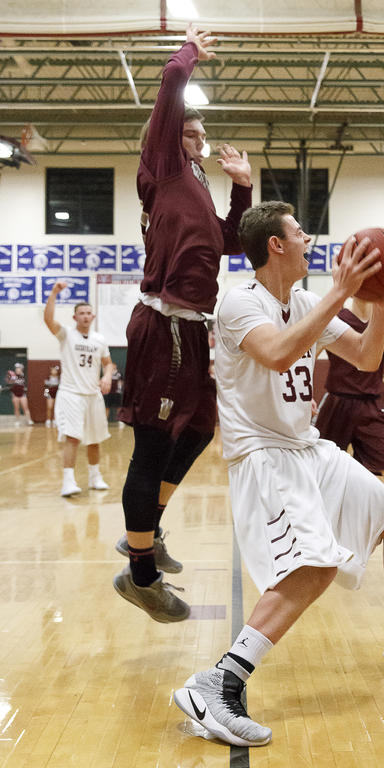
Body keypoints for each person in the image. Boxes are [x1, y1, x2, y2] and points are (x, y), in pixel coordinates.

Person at [174, 201, 384, 748]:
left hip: (307, 448)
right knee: (314, 568)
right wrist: (342, 292)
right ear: (275, 244)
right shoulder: (240, 302)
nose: (309, 239)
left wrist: (379, 304)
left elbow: (365, 357)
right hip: (263, 456)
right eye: (299, 232)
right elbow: (277, 353)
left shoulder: (305, 300)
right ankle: (217, 683)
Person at [113, 24, 252, 622]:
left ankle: (148, 529)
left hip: (194, 328)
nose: (198, 140)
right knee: (152, 445)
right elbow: (172, 79)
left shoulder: (196, 184)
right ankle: (141, 574)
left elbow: (228, 241)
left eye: (201, 134)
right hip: (164, 324)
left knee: (198, 429)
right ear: (168, 137)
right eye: (188, 132)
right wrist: (189, 48)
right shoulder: (164, 166)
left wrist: (242, 190)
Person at [314, 297, 384, 560]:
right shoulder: (335, 318)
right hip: (337, 403)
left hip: (371, 405)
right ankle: (313, 540)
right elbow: (309, 354)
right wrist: (305, 392)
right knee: (319, 475)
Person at [44, 282, 113, 496]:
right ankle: (68, 481)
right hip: (71, 394)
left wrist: (107, 376)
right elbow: (48, 320)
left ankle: (95, 477)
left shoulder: (99, 339)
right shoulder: (66, 334)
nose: (85, 316)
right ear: (75, 317)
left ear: (93, 317)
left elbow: (108, 364)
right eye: (81, 313)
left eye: (88, 313)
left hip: (93, 395)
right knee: (72, 437)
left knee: (95, 439)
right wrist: (54, 293)